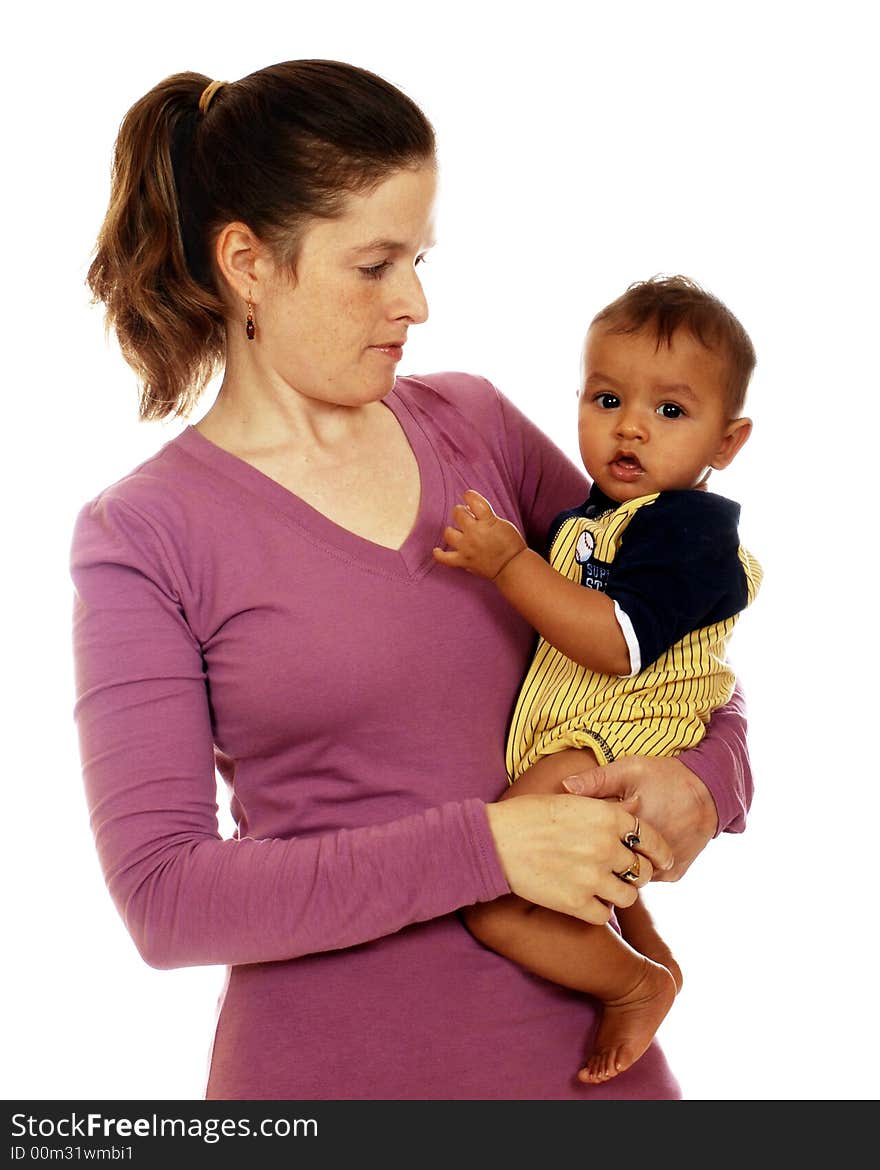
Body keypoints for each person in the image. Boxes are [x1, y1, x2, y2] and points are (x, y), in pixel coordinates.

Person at [71, 60, 754, 1101]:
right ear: (249, 262)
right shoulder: (145, 534)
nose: (417, 302)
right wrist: (489, 849)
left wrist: (711, 780)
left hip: (595, 1076)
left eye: (420, 257)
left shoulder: (472, 427)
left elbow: (666, 631)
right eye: (375, 264)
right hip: (332, 1083)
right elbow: (168, 902)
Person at [433, 274, 761, 1083]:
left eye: (672, 411)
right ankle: (655, 965)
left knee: (495, 894)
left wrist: (510, 563)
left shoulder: (689, 535)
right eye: (607, 399)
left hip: (612, 740)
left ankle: (631, 985)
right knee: (603, 887)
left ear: (728, 442)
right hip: (587, 733)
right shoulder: (596, 516)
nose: (632, 429)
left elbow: (615, 643)